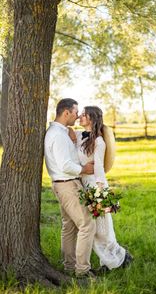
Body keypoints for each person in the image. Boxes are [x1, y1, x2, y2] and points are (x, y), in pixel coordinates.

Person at [73, 105, 133, 273]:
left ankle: (118, 259)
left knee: (102, 228)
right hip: (83, 185)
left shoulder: (99, 141)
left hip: (95, 185)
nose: (80, 117)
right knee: (92, 227)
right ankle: (110, 260)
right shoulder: (79, 136)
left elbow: (99, 166)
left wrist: (100, 192)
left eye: (84, 115)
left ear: (92, 118)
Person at [44, 98, 96, 279]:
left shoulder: (60, 133)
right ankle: (82, 271)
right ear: (66, 112)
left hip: (66, 184)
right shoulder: (57, 135)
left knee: (70, 227)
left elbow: (69, 156)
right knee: (87, 225)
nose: (77, 115)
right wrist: (84, 170)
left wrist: (74, 141)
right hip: (67, 185)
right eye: (75, 112)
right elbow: (65, 164)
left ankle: (69, 266)